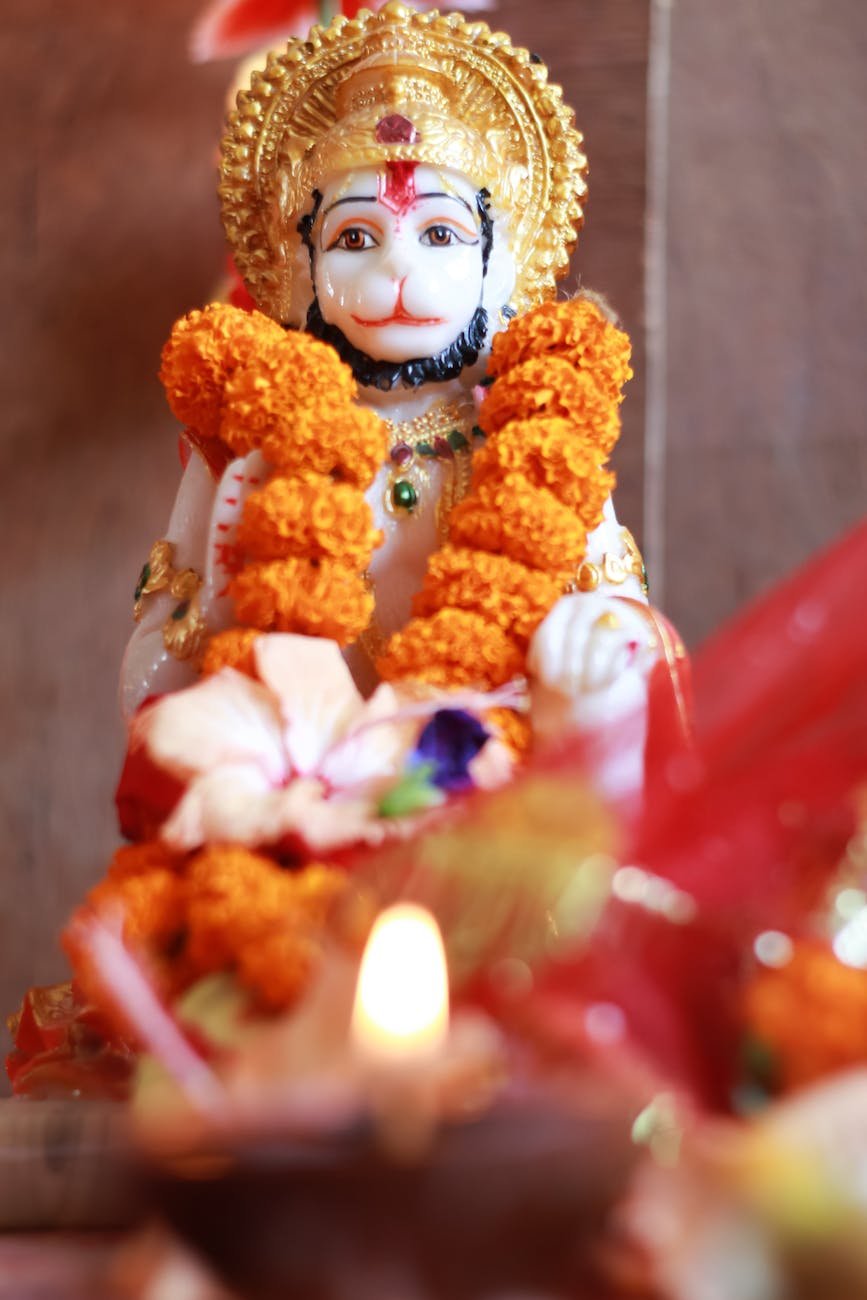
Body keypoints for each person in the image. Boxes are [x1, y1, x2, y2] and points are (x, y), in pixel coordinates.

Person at [123, 1, 679, 800]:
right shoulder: (260, 442)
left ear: (498, 267)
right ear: (301, 268)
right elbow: (154, 678)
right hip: (301, 800)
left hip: (487, 796)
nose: (398, 269)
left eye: (440, 235)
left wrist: (589, 666)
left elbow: (632, 638)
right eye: (355, 238)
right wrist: (217, 615)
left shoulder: (530, 435)